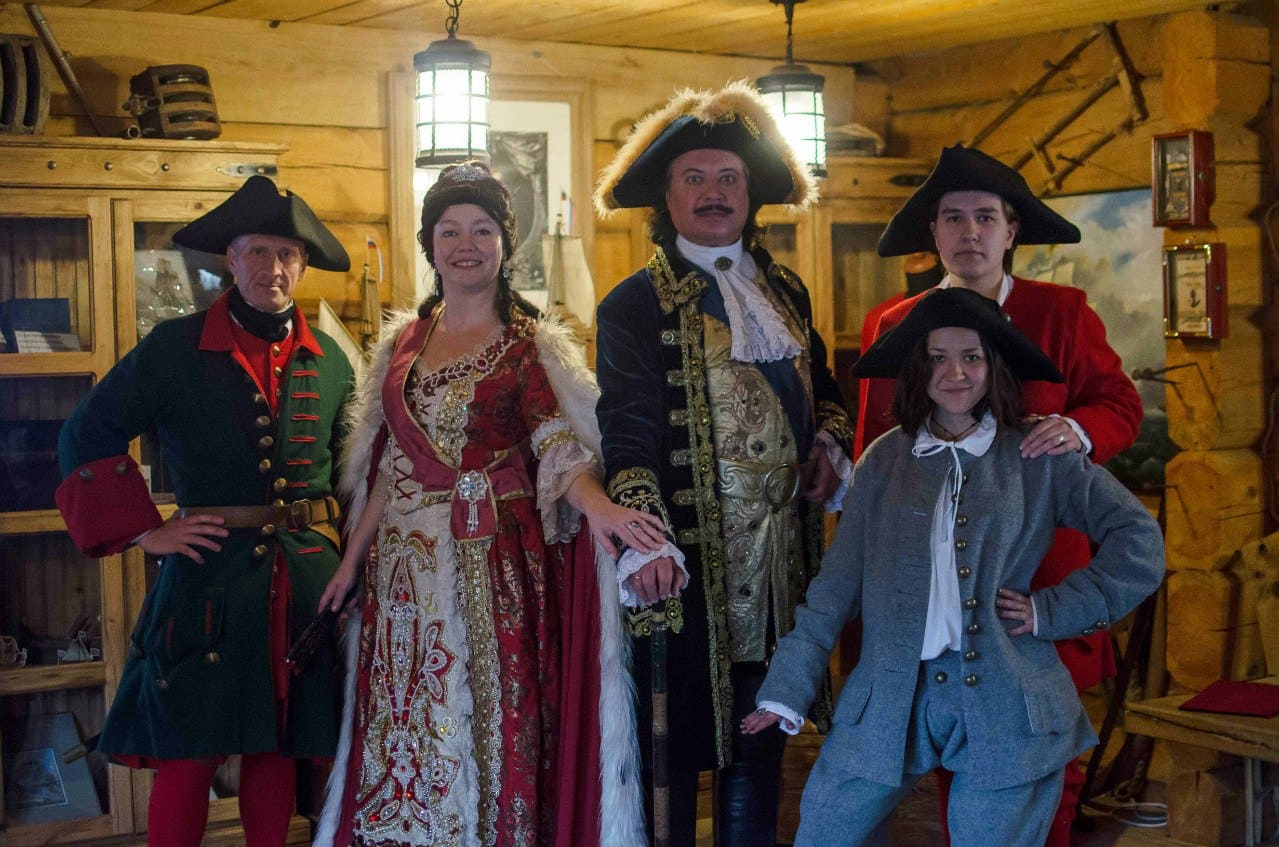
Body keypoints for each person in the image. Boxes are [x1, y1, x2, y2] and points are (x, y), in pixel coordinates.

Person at [743, 286, 1164, 847]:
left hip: (1008, 698)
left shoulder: (1037, 454)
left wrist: (1052, 611)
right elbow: (836, 585)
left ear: (994, 367)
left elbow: (1139, 541)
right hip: (890, 693)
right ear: (918, 369)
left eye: (972, 357)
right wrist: (787, 685)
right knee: (826, 830)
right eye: (938, 357)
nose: (955, 373)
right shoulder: (884, 460)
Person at [311, 161, 655, 847]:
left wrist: (601, 507)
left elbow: (558, 447)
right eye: (449, 231)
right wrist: (350, 565)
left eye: (481, 230)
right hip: (402, 572)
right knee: (404, 717)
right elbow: (387, 468)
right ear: (429, 245)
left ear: (504, 242)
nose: (464, 245)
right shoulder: (402, 346)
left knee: (489, 715)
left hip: (492, 565)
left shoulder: (526, 348)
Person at [855, 144, 1144, 845]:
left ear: (1011, 231)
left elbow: (1118, 404)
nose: (970, 232)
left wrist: (1077, 429)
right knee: (953, 745)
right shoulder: (896, 326)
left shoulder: (1062, 313)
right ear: (933, 232)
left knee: (1050, 750)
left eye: (985, 217)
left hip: (1037, 575)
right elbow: (876, 461)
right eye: (953, 218)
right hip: (934, 582)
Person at [55, 175, 356, 847]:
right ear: (231, 258)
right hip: (205, 579)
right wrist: (146, 529)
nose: (272, 267)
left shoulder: (333, 361)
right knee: (188, 752)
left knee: (277, 748)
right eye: (257, 251)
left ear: (303, 266)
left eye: (286, 254)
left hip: (303, 585)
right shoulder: (174, 347)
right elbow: (85, 432)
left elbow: (354, 474)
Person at [592, 81, 853, 847]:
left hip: (781, 560)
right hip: (688, 562)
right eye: (694, 178)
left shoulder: (786, 289)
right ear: (666, 198)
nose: (714, 192)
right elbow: (627, 430)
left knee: (760, 731)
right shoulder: (633, 304)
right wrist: (645, 542)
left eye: (729, 177)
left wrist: (828, 442)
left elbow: (824, 390)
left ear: (750, 193)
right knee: (673, 752)